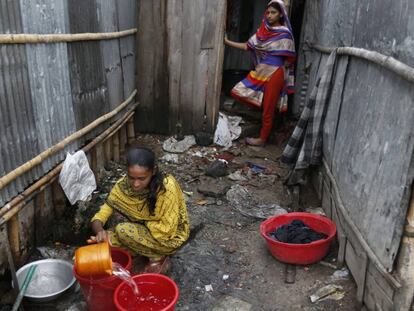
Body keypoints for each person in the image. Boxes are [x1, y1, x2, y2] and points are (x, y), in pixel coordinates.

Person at [91, 146, 190, 274]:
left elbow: (166, 231)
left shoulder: (166, 187)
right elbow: (103, 212)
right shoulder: (122, 186)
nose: (136, 184)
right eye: (132, 178)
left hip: (169, 238)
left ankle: (157, 257)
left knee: (122, 230)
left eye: (142, 179)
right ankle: (141, 250)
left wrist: (141, 222)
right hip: (143, 232)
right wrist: (100, 231)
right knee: (104, 242)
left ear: (153, 171)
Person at [224, 0, 296, 146]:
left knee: (268, 107)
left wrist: (278, 68)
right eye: (268, 12)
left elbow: (290, 57)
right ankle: (266, 131)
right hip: (261, 71)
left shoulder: (284, 33)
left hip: (275, 73)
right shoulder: (262, 31)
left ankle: (262, 139)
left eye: (273, 12)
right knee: (240, 92)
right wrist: (226, 42)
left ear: (281, 14)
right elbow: (247, 46)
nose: (269, 15)